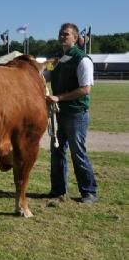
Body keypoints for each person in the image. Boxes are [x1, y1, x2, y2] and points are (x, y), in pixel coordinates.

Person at [44, 23, 98, 203]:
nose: (62, 37)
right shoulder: (58, 60)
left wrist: (59, 97)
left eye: (66, 34)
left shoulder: (82, 60)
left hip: (76, 113)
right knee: (57, 152)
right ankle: (58, 190)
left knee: (78, 153)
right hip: (59, 113)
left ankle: (89, 192)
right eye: (60, 34)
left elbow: (85, 89)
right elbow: (46, 76)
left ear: (75, 38)